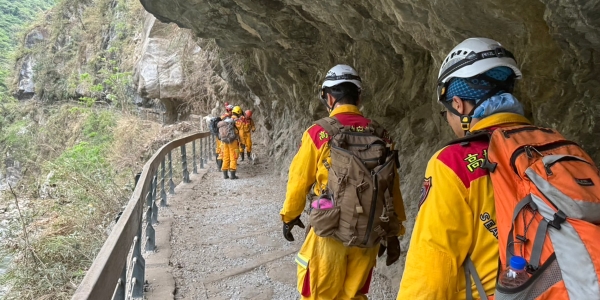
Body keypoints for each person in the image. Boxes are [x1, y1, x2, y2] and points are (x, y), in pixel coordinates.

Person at [397, 37, 530, 299]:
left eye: (446, 113)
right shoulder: (561, 148)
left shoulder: (454, 163)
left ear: (458, 104)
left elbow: (431, 273)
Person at [281, 64, 407, 299]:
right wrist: (394, 228)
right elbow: (391, 184)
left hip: (328, 229)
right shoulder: (382, 134)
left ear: (328, 97)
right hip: (369, 230)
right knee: (355, 294)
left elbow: (298, 181)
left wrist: (289, 216)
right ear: (359, 97)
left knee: (320, 294)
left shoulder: (318, 133)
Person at [219, 105, 239, 179]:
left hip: (224, 141)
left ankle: (225, 174)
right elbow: (238, 130)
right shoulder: (234, 120)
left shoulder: (223, 120)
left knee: (225, 157)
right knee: (233, 157)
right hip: (232, 141)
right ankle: (233, 175)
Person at [215, 103, 234, 169]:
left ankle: (220, 166)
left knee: (221, 151)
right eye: (231, 110)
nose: (232, 112)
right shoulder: (227, 117)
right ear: (229, 110)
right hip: (223, 136)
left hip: (220, 135)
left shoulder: (223, 116)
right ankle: (220, 166)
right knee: (221, 151)